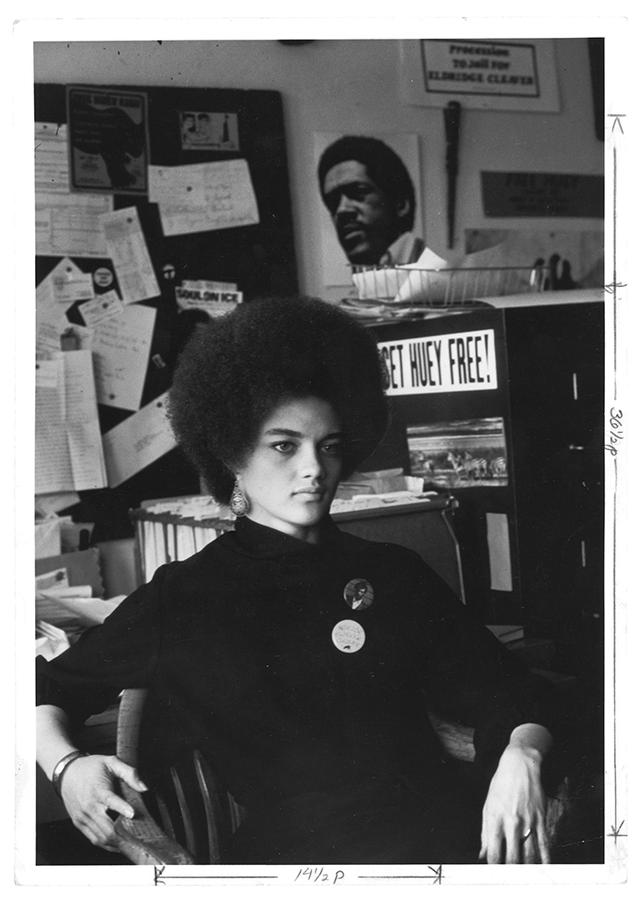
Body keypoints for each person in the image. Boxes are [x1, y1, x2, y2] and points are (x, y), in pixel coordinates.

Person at [36, 295, 561, 865]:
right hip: (301, 864)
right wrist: (67, 766)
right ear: (232, 451)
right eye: (284, 446)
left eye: (329, 446)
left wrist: (523, 754)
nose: (314, 468)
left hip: (454, 845)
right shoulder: (186, 596)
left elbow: (513, 690)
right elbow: (42, 689)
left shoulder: (393, 572)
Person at [318, 136, 425, 267]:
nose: (341, 210)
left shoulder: (445, 282)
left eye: (358, 192)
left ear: (400, 204)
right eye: (333, 202)